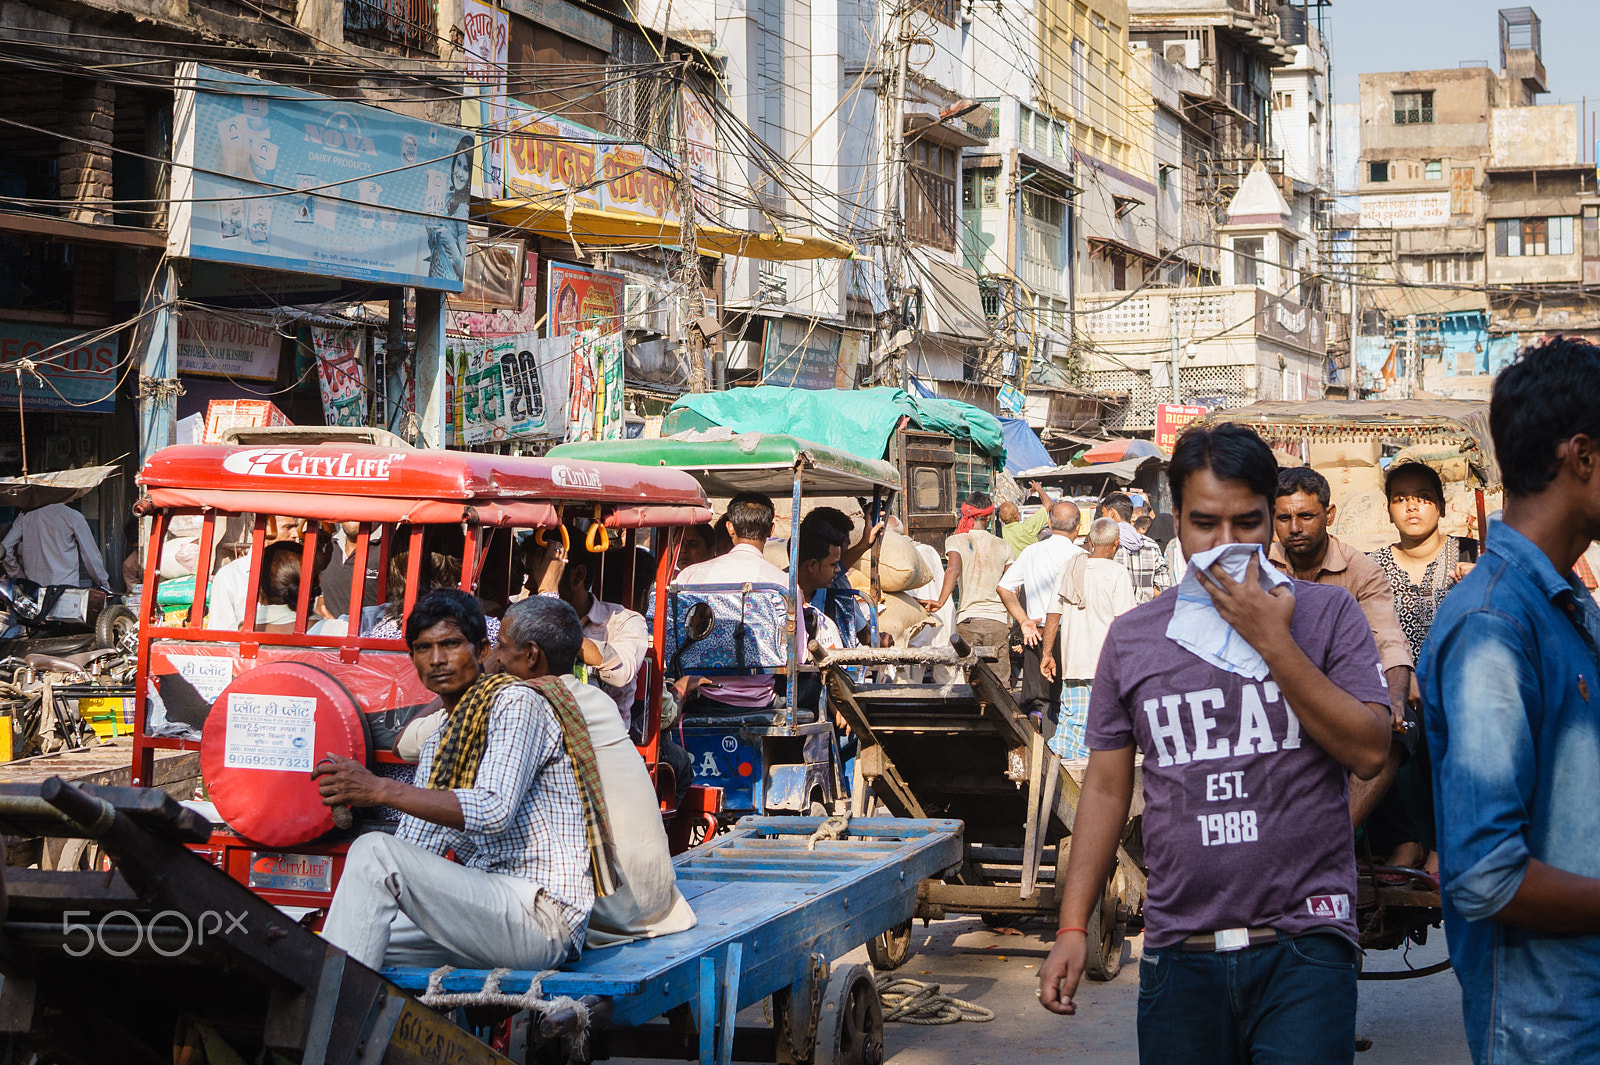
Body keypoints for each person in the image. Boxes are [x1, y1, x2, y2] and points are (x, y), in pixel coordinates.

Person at [1038, 423, 1391, 1064]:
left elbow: (1370, 750)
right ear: (1176, 519)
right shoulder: (1134, 638)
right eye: (1205, 523)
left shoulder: (1325, 617)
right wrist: (1071, 926)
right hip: (1180, 955)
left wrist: (1276, 642)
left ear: (1271, 521)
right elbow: (1108, 788)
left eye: (1246, 522)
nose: (1225, 544)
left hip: (1304, 946)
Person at [1420, 337, 1600, 1065]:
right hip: (1548, 1025)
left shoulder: (1564, 605)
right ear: (1582, 457)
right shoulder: (1495, 622)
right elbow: (1486, 874)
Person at [316, 590, 594, 971]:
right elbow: (416, 846)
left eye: (450, 644)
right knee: (346, 939)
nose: (436, 660)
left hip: (542, 916)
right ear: (412, 658)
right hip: (488, 911)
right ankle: (342, 1019)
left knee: (373, 851)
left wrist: (379, 789)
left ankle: (331, 1025)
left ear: (481, 651)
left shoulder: (516, 702)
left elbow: (493, 809)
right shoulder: (442, 740)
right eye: (422, 648)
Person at [485, 596, 695, 946]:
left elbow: (407, 742)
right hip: (656, 903)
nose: (495, 655)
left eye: (500, 647)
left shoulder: (524, 700)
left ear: (532, 654)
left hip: (612, 910)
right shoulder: (595, 700)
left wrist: (469, 679)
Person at [1267, 466, 1413, 830]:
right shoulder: (1261, 565)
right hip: (1274, 695)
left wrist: (1394, 702)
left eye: (1305, 516)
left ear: (1328, 515)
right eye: (1284, 518)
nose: (1294, 528)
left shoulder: (1362, 570)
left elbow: (1388, 640)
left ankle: (1334, 837)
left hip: (1343, 697)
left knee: (1399, 730)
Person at [1368, 461, 1475, 878]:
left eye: (1423, 498)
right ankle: (1407, 841)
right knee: (1390, 727)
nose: (1412, 507)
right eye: (1401, 499)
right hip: (1396, 684)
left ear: (1442, 506)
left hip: (1461, 682)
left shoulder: (1470, 553)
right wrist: (1400, 676)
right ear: (1389, 509)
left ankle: (1443, 846)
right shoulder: (1371, 565)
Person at [673, 492, 801, 713]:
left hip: (699, 697)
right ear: (771, 530)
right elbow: (797, 656)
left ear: (730, 528)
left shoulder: (689, 577)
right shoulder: (785, 585)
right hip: (759, 701)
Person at [528, 538, 650, 732]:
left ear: (578, 576)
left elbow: (621, 673)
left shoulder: (623, 621)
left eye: (543, 577)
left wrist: (549, 599)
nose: (529, 587)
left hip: (602, 744)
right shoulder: (524, 615)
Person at [1038, 518, 1135, 761]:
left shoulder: (1070, 567)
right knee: (1104, 728)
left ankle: (1055, 780)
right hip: (1106, 665)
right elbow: (1125, 623)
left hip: (1074, 662)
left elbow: (1053, 614)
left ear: (1090, 541)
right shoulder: (1117, 573)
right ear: (1116, 544)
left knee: (1071, 725)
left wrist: (1047, 653)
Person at [997, 500, 1084, 734]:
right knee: (1067, 697)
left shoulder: (1033, 551)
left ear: (1048, 522)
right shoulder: (1082, 556)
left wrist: (1024, 621)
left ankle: (1037, 750)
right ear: (1078, 528)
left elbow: (1004, 588)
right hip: (1071, 637)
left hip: (1038, 633)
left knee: (1037, 698)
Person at [924, 508, 1015, 650]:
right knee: (997, 672)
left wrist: (941, 601)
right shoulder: (1005, 546)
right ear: (989, 518)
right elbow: (1012, 586)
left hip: (968, 621)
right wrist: (1012, 621)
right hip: (997, 621)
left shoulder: (955, 541)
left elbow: (953, 569)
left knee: (968, 669)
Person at [206, 515, 302, 630]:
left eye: (295, 527)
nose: (295, 534)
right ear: (266, 528)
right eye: (288, 527)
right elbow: (220, 633)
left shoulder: (299, 569)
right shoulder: (230, 576)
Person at [2, 501, 109, 589]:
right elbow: (91, 556)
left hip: (34, 591)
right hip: (66, 590)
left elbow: (4, 548)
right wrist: (103, 584)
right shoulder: (72, 516)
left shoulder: (26, 516)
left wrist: (18, 574)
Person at [1098, 492, 1172, 604]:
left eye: (1103, 513)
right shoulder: (1151, 545)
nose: (1102, 518)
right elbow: (1163, 588)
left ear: (1112, 513)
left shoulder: (1105, 545)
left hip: (1116, 617)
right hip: (1145, 615)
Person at [319, 521, 384, 618]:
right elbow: (320, 602)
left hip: (370, 631)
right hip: (328, 631)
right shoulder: (327, 545)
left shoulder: (393, 549)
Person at [998, 482, 1053, 554]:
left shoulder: (1001, 533)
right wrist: (1038, 488)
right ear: (1016, 516)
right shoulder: (1027, 527)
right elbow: (1049, 503)